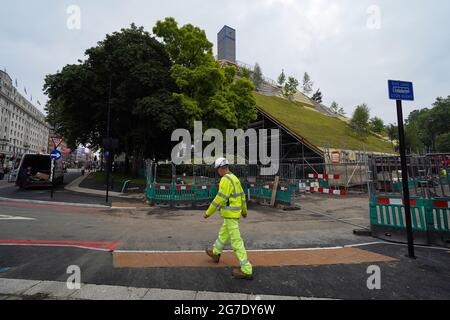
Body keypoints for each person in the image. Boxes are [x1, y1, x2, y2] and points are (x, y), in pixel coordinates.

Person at [204, 157, 253, 280]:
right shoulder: (234, 178)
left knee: (236, 241)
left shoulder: (225, 180)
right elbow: (242, 196)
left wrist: (208, 212)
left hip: (230, 215)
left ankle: (246, 269)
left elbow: (219, 198)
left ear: (221, 168)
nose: (217, 172)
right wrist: (244, 211)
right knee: (223, 234)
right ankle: (215, 253)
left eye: (217, 169)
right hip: (231, 215)